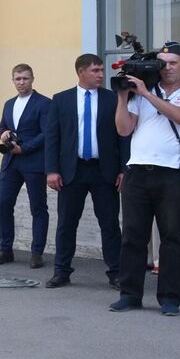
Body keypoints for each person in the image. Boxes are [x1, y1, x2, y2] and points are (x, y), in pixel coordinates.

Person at [110, 42, 180, 316]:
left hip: (171, 174)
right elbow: (124, 129)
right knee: (132, 236)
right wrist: (123, 96)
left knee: (171, 237)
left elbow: (179, 116)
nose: (168, 67)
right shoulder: (143, 94)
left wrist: (145, 93)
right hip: (137, 171)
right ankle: (129, 294)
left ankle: (169, 299)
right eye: (163, 63)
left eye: (174, 62)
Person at [43, 54, 126, 289]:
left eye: (101, 70)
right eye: (95, 70)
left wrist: (123, 169)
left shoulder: (112, 99)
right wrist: (51, 170)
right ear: (81, 72)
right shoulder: (61, 100)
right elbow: (52, 138)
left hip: (104, 171)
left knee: (109, 224)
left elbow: (123, 136)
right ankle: (61, 271)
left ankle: (116, 273)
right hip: (72, 171)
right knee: (67, 223)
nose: (101, 74)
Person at [0, 64, 51, 267]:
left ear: (32, 78)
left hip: (33, 162)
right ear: (13, 80)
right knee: (3, 204)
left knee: (38, 208)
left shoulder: (44, 103)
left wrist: (24, 149)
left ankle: (37, 253)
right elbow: (1, 126)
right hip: (10, 162)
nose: (21, 82)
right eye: (18, 79)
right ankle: (5, 249)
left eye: (25, 78)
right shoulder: (9, 104)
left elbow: (46, 133)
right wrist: (3, 134)